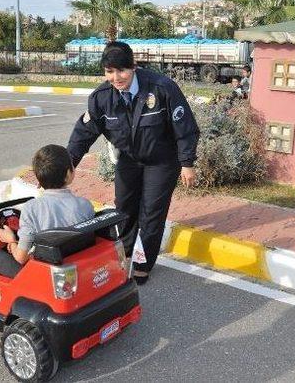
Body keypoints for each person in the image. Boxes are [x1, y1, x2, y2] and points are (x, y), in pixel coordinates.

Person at [67, 41, 200, 284]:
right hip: (130, 159)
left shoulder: (162, 88)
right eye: (109, 71)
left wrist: (187, 162)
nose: (116, 77)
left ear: (134, 67)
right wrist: (68, 165)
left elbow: (185, 127)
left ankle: (142, 263)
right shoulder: (101, 98)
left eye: (121, 70)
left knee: (151, 213)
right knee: (124, 208)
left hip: (162, 161)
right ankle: (126, 253)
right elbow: (83, 134)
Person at [0, 144, 95, 278]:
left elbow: (20, 259)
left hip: (43, 277)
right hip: (80, 267)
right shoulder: (86, 205)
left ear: (38, 180)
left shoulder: (31, 209)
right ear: (69, 174)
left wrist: (11, 240)